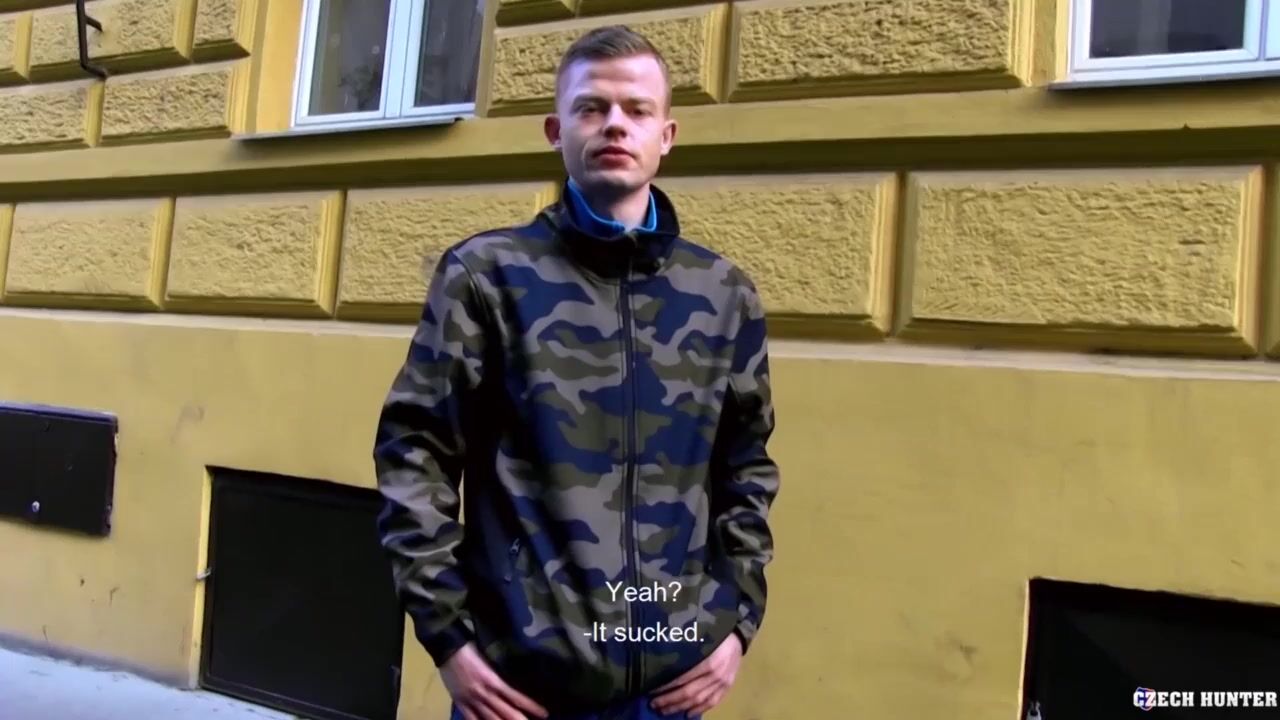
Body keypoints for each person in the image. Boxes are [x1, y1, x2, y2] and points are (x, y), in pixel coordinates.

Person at [373, 25, 781, 720]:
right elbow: (416, 455)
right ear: (555, 130)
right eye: (591, 107)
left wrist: (736, 624)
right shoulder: (487, 277)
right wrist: (450, 641)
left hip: (667, 687)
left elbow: (746, 468)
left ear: (666, 135)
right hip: (519, 685)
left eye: (636, 109)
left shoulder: (721, 294)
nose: (615, 124)